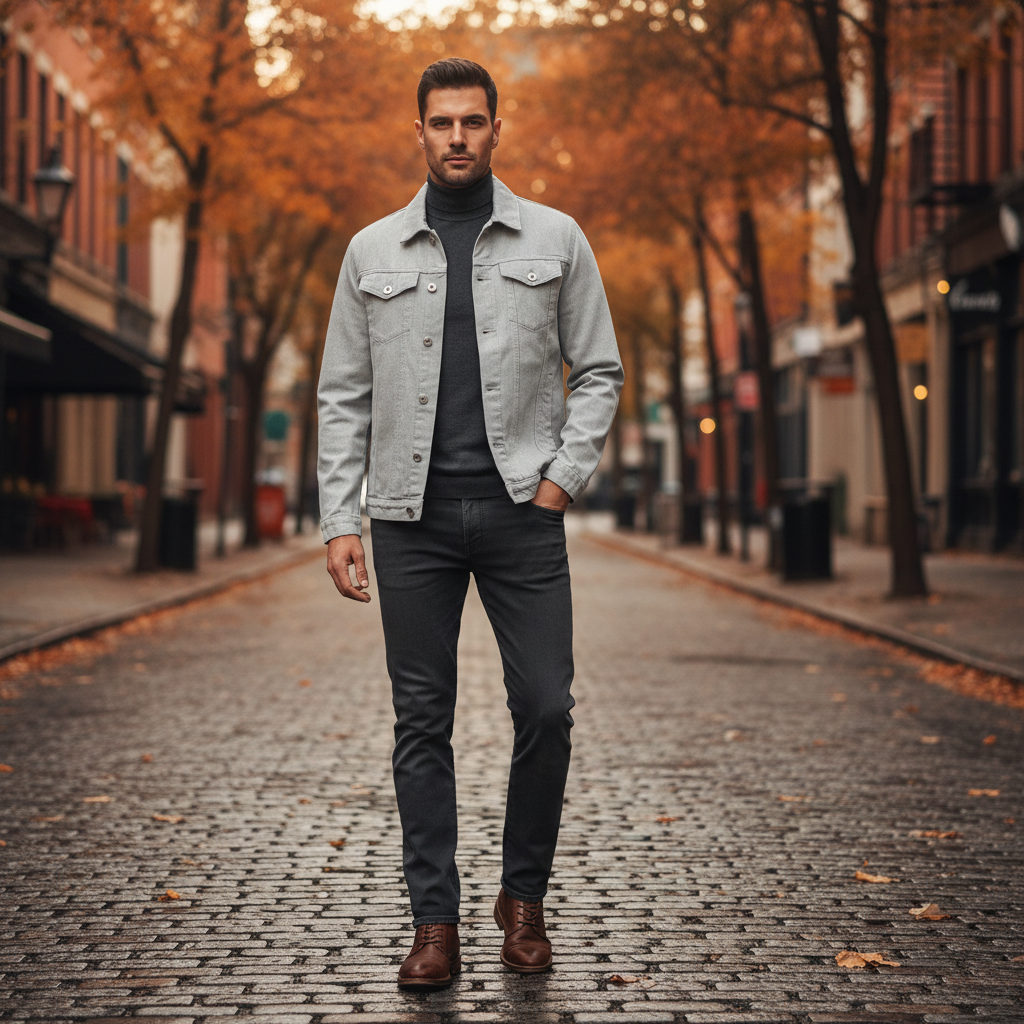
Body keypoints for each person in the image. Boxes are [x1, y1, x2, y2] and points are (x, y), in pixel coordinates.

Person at [317, 57, 622, 989]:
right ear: (419, 131)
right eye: (441, 122)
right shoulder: (371, 252)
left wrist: (562, 482)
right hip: (408, 519)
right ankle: (435, 924)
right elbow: (342, 396)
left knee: (546, 709)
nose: (457, 137)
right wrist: (341, 518)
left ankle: (522, 901)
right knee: (423, 723)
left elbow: (599, 370)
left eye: (473, 122)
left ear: (499, 130)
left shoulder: (557, 238)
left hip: (521, 514)